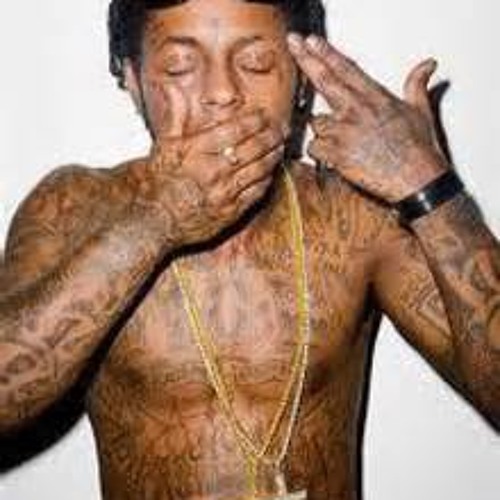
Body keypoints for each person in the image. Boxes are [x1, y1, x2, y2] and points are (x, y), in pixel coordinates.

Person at [0, 0, 498, 498]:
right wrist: (156, 222)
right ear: (131, 78)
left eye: (256, 63)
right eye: (180, 66)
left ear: (302, 80)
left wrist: (429, 188)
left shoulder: (352, 213)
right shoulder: (74, 209)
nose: (222, 93)